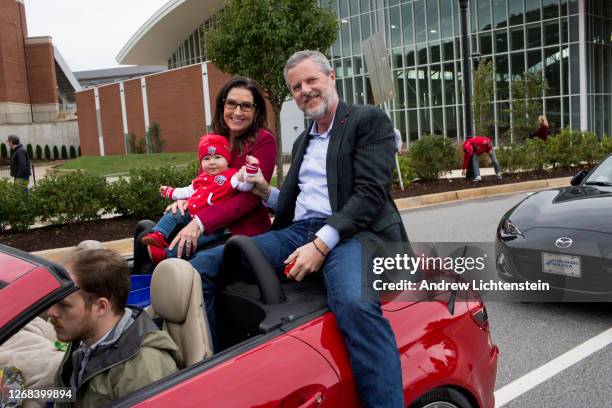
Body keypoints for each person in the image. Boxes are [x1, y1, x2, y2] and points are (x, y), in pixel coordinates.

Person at [188, 50, 407, 408]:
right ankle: (209, 373)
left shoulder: (368, 121)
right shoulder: (304, 140)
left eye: (311, 81)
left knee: (354, 304)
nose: (304, 90)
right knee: (201, 269)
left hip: (356, 235)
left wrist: (321, 245)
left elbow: (369, 195)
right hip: (299, 231)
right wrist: (263, 190)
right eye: (296, 87)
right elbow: (296, 203)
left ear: (331, 77)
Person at [133, 77, 277, 273]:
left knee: (183, 262)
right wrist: (186, 201)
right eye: (232, 104)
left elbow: (249, 199)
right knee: (146, 236)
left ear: (256, 110)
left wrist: (200, 223)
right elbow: (204, 184)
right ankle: (144, 296)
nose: (237, 112)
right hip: (203, 215)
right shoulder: (214, 139)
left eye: (245, 106)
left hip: (239, 229)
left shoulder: (263, 140)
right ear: (222, 105)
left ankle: (174, 297)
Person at [49, 249, 183, 407]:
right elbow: (70, 394)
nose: (51, 311)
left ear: (100, 307)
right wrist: (19, 394)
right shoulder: (83, 340)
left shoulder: (143, 369)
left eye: (64, 305)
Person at [142, 134, 259, 264]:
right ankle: (158, 234)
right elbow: (187, 191)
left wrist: (251, 170)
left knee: (190, 241)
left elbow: (246, 187)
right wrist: (170, 192)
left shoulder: (231, 176)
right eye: (207, 158)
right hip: (190, 213)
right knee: (173, 214)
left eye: (217, 157)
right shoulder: (202, 178)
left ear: (227, 160)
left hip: (212, 224)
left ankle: (165, 255)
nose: (212, 162)